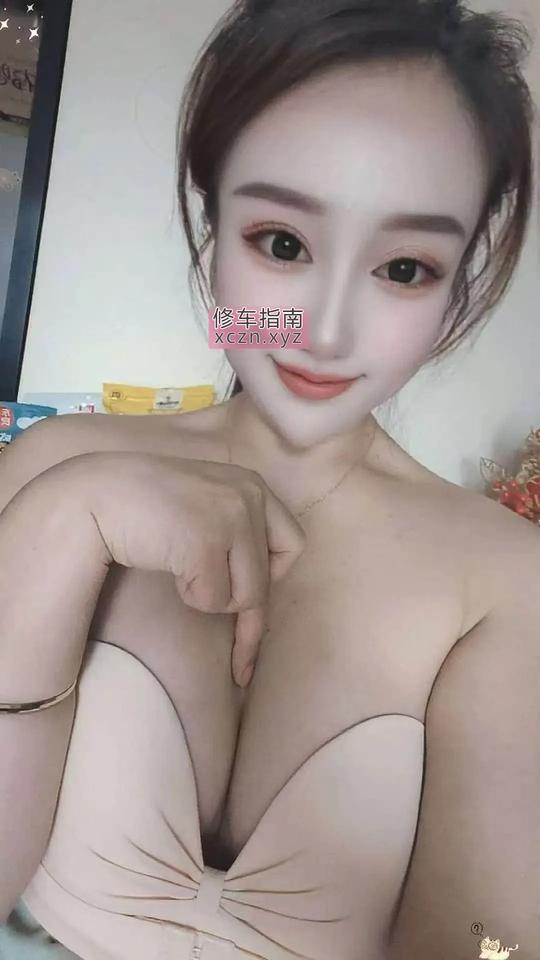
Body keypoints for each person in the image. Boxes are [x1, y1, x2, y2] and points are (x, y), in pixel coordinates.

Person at [0, 0, 538, 958]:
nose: (324, 332)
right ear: (213, 234)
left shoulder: (506, 580)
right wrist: (61, 521)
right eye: (283, 244)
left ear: (458, 283)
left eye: (404, 267)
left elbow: (485, 934)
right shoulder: (54, 467)